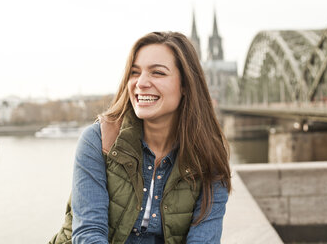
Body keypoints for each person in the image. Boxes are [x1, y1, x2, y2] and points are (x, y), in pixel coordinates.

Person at [49, 31, 231, 244]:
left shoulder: (210, 155)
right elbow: (89, 232)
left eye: (158, 73)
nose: (141, 83)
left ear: (185, 85)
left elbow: (204, 240)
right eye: (135, 73)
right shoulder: (98, 141)